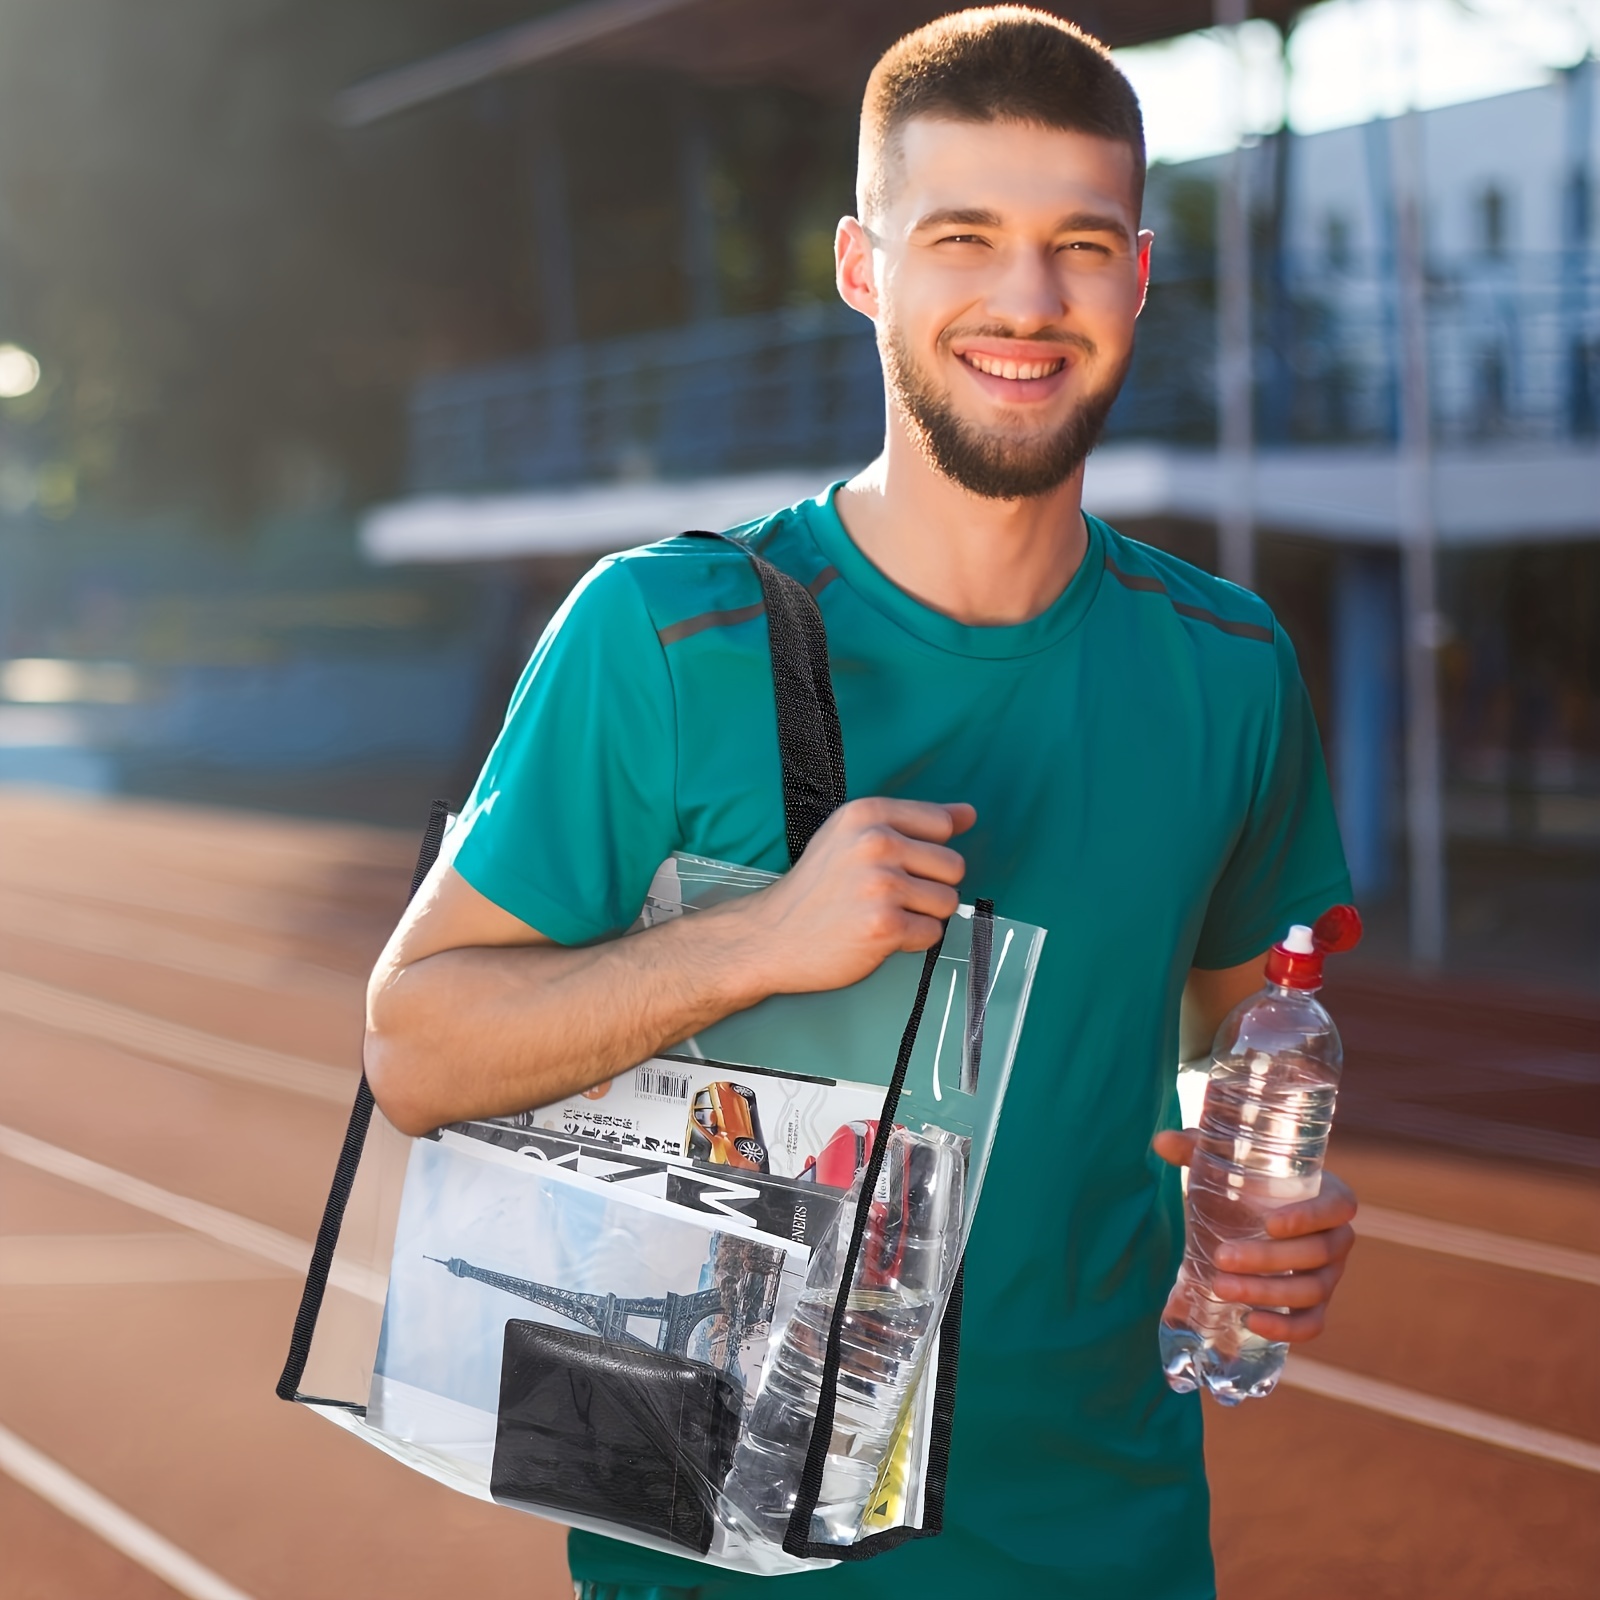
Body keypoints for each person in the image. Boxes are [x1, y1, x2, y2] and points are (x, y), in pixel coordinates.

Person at [364, 9, 1358, 1597]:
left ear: (1141, 276)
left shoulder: (1230, 669)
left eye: (1081, 245)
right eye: (963, 236)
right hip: (724, 1557)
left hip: (1104, 1545)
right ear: (860, 266)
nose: (1027, 303)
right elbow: (414, 1048)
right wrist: (757, 940)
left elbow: (1235, 1053)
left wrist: (1262, 1208)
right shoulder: (663, 632)